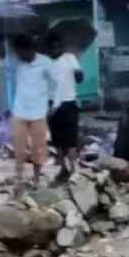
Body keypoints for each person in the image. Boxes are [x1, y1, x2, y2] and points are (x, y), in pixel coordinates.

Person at [8, 34, 57, 193]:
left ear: (29, 50)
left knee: (38, 147)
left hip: (38, 111)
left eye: (21, 52)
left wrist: (53, 103)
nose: (19, 56)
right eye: (17, 53)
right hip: (20, 109)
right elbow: (7, 72)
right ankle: (19, 178)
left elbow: (56, 84)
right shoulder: (17, 63)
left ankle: (36, 178)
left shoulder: (45, 62)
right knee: (19, 147)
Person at [46, 33, 83, 183]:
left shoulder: (70, 58)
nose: (55, 49)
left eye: (57, 46)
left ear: (61, 46)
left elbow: (79, 79)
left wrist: (79, 73)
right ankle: (63, 169)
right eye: (52, 47)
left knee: (71, 140)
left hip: (69, 103)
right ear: (49, 49)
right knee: (58, 140)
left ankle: (74, 170)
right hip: (52, 105)